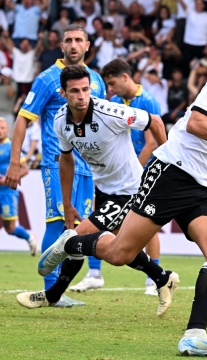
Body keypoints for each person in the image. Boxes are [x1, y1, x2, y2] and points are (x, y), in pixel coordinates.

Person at [36, 28, 207, 357]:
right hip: (172, 171)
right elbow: (196, 124)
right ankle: (73, 242)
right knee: (120, 253)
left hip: (205, 185)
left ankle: (194, 335)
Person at [15, 65, 176, 313]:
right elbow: (66, 159)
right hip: (103, 190)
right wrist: (67, 205)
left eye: (85, 89)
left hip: (129, 190)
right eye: (75, 91)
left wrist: (168, 165)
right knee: (122, 250)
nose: (82, 96)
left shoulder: (110, 112)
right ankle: (163, 278)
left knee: (78, 237)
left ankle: (53, 294)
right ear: (63, 93)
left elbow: (154, 121)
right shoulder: (60, 121)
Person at [5, 24, 106, 308]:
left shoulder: (95, 79)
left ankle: (64, 286)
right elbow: (23, 120)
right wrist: (16, 161)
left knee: (82, 227)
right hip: (56, 162)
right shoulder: (48, 79)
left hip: (88, 167)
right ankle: (51, 290)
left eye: (78, 40)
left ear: (87, 46)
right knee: (57, 220)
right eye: (68, 40)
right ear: (61, 45)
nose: (73, 45)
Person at [65, 58, 164, 296]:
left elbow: (152, 140)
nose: (110, 89)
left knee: (148, 228)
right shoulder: (116, 102)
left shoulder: (148, 100)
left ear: (125, 78)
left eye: (112, 83)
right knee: (112, 231)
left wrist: (140, 169)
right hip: (112, 178)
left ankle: (155, 277)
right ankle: (96, 273)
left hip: (142, 172)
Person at [0, 118, 37, 254]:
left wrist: (8, 179)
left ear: (8, 130)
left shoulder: (11, 146)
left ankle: (29, 237)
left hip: (7, 193)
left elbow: (25, 169)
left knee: (9, 228)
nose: (0, 131)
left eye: (3, 128)